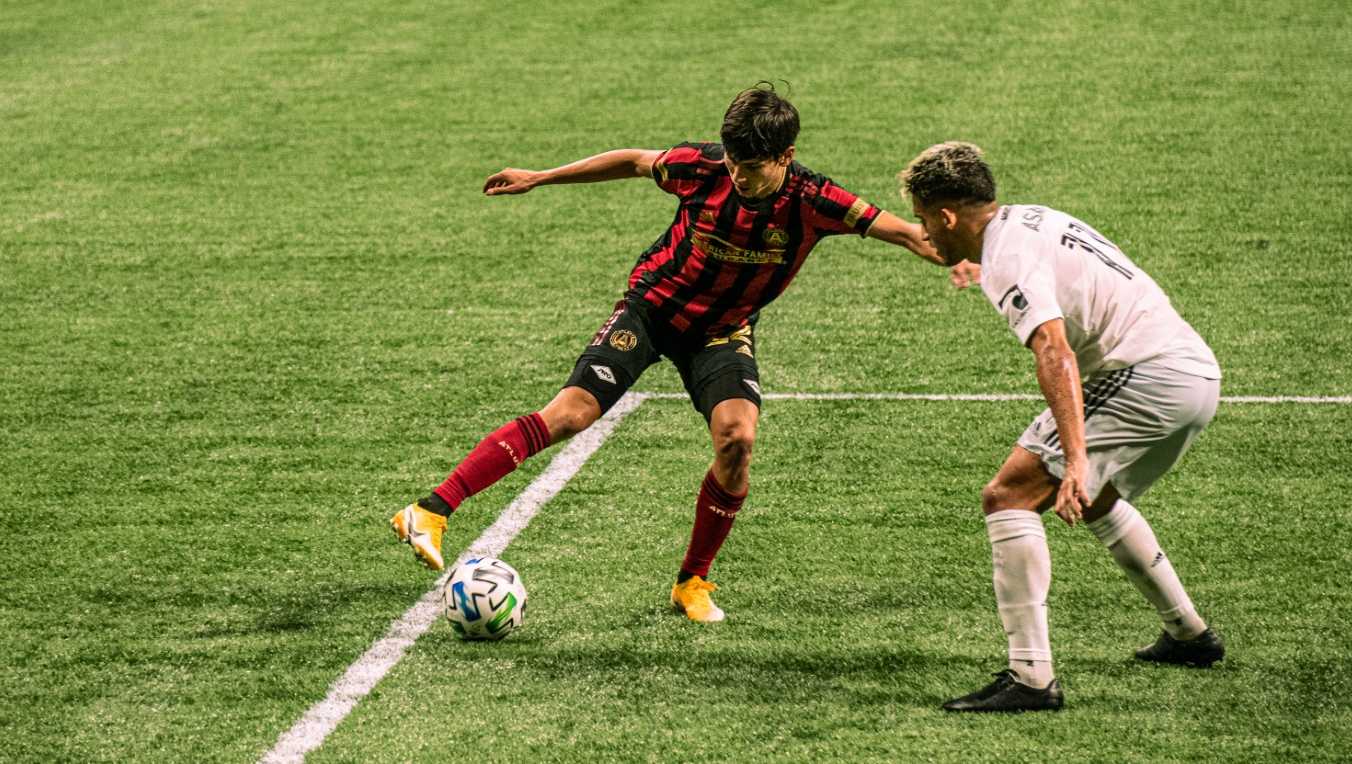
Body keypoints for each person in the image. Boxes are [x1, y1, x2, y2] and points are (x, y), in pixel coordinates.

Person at [392, 87, 941, 622]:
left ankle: (692, 581)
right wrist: (540, 177)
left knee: (738, 439)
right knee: (570, 415)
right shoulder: (701, 168)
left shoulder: (815, 200)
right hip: (651, 311)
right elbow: (633, 160)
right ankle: (431, 510)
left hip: (721, 332)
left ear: (785, 157)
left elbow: (904, 231)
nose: (737, 175)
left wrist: (956, 253)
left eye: (750, 166)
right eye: (731, 161)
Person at [899, 141, 1225, 712]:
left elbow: (1053, 349)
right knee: (1096, 499)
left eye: (926, 221)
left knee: (1008, 496)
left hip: (1144, 377)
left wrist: (1075, 457)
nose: (925, 234)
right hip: (1190, 374)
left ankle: (1031, 677)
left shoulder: (1007, 260)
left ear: (947, 215)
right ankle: (1189, 635)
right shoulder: (1030, 220)